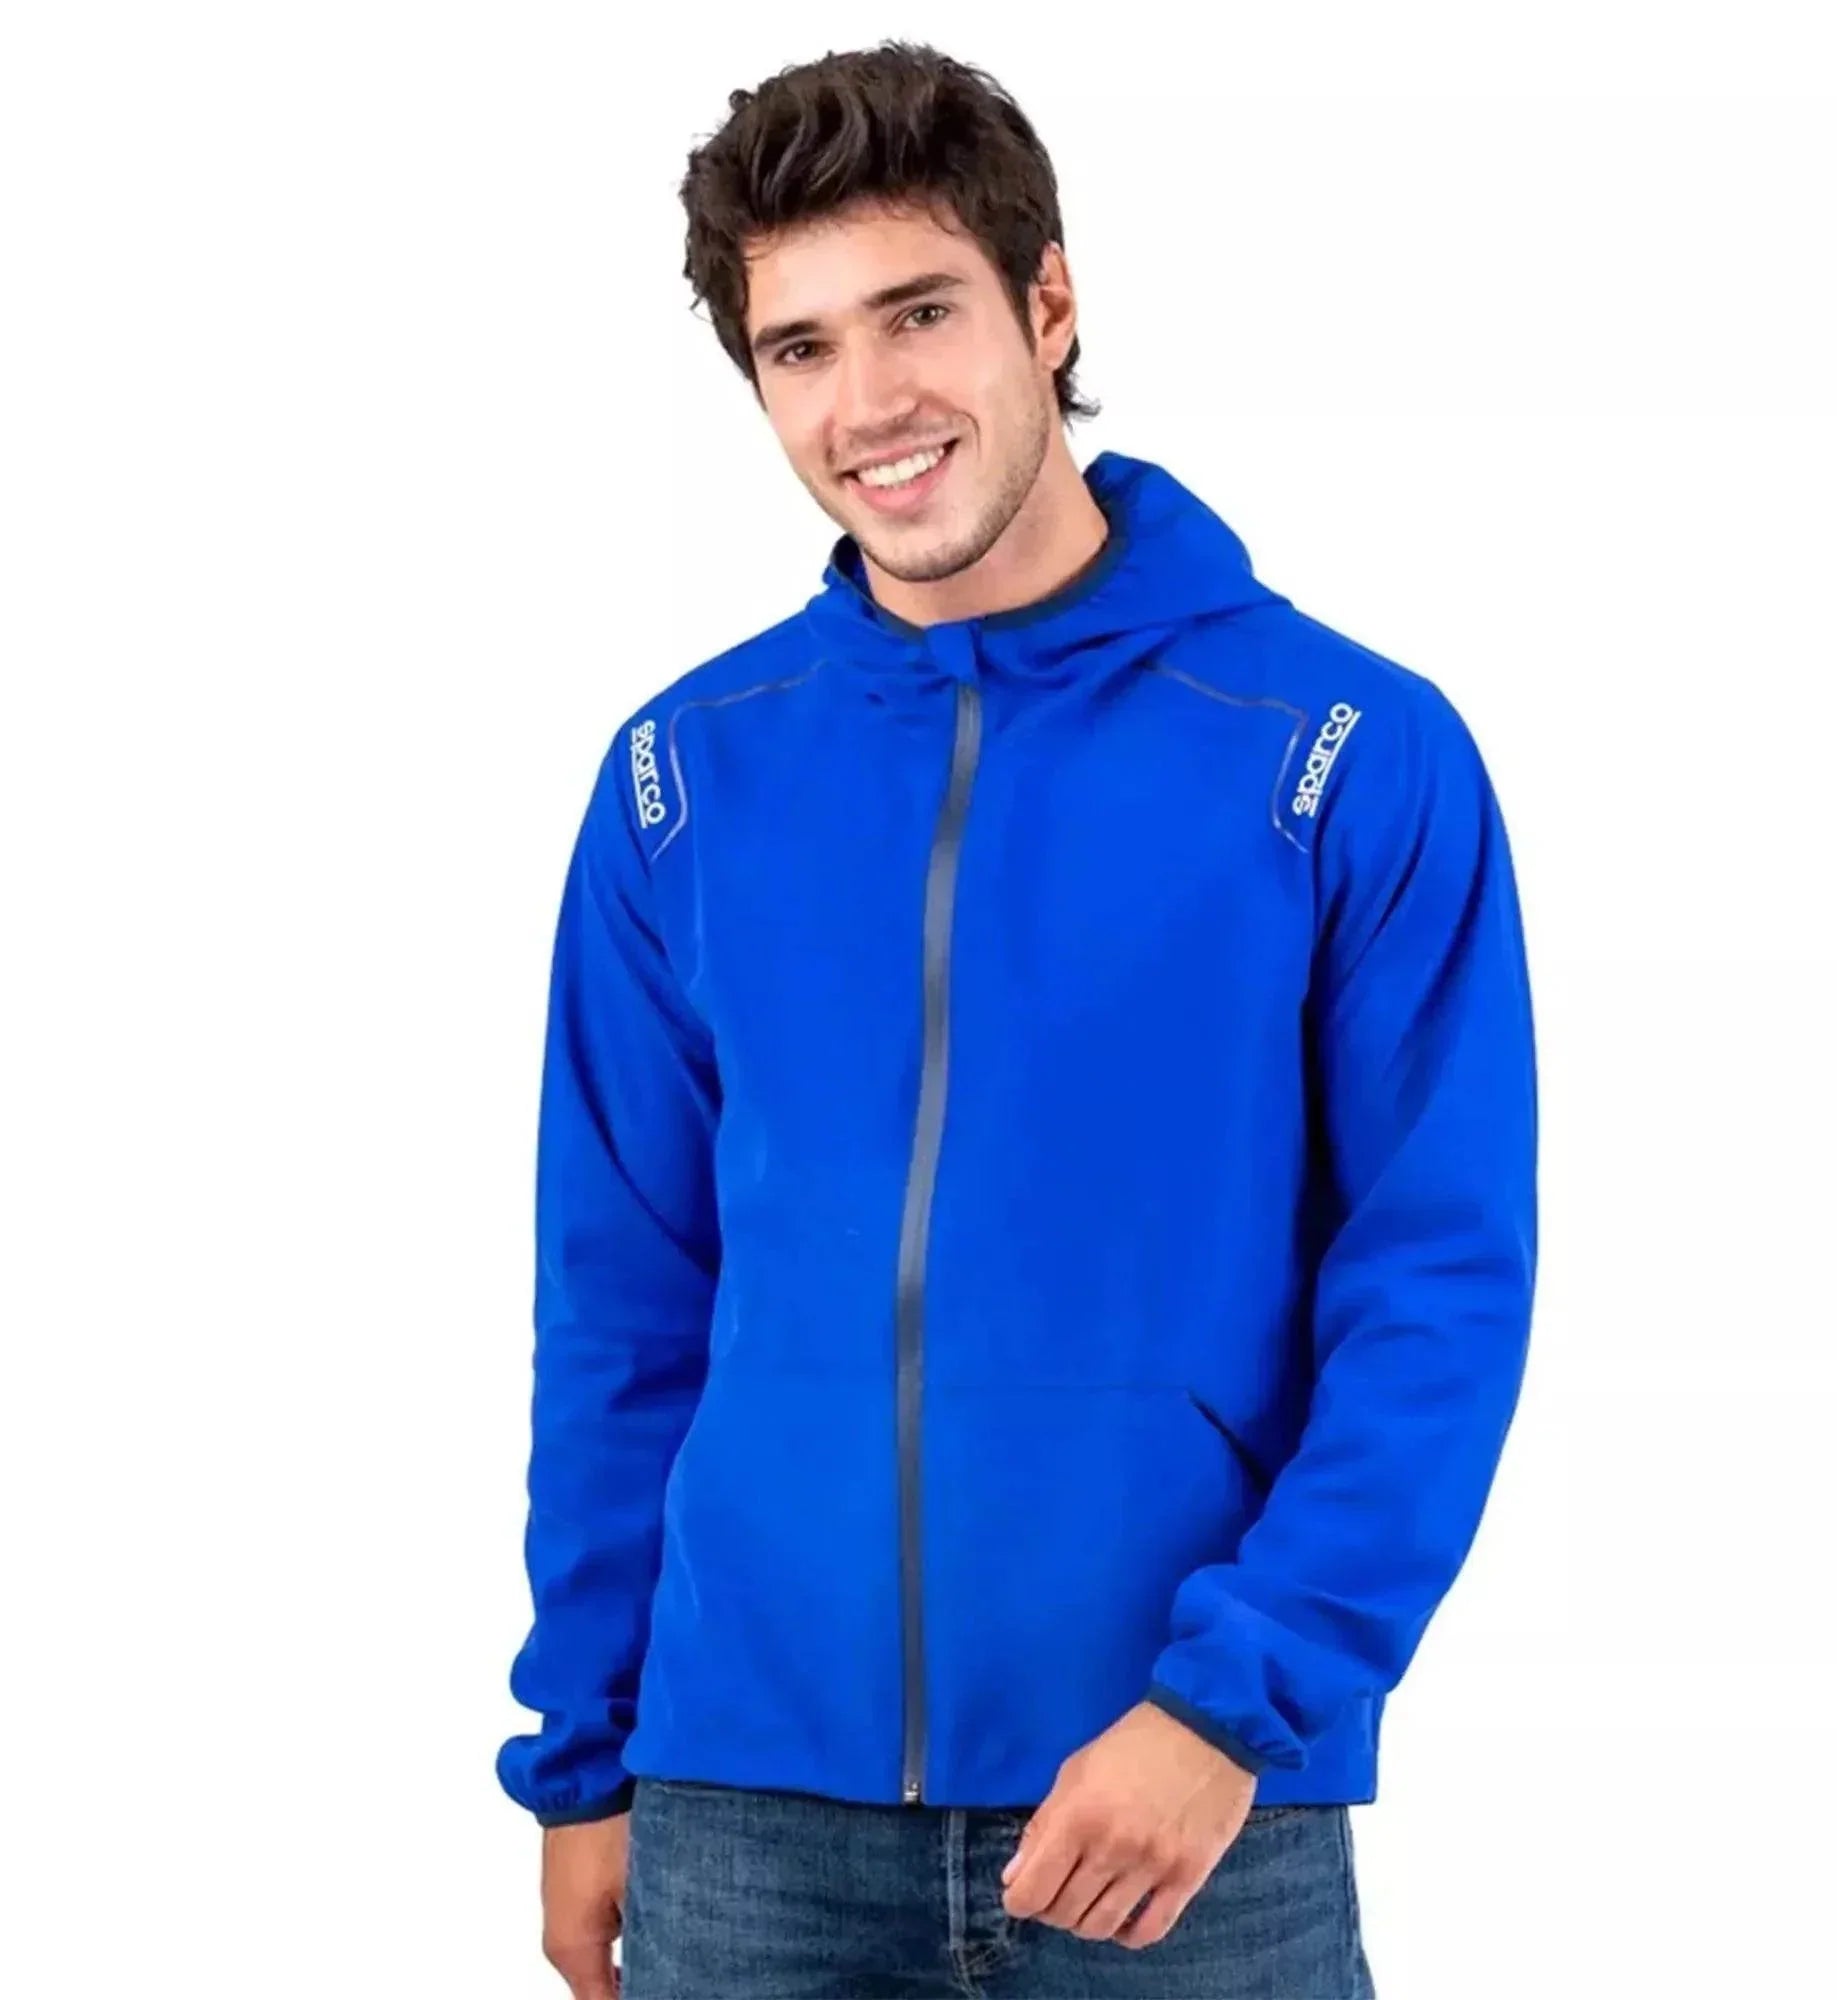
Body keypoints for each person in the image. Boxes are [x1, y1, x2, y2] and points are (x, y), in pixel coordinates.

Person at [497, 38, 1536, 2000]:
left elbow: (1436, 1285)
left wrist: (1234, 1703)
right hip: (741, 1820)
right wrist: (584, 1748)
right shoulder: (681, 777)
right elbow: (621, 1306)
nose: (867, 404)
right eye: (798, 348)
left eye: (918, 314)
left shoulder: (1339, 750)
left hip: (1186, 1809)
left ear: (1046, 304)